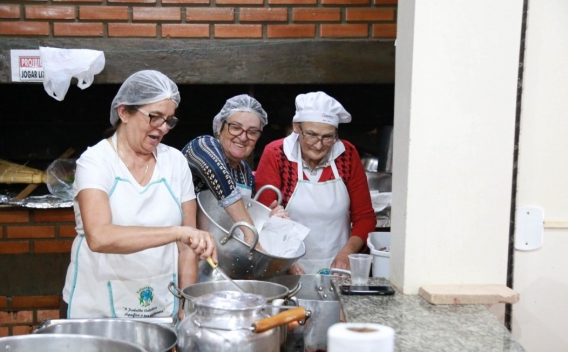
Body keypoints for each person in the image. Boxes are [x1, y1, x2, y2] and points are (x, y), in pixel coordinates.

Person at [61, 70, 216, 319]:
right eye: (155, 117)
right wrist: (177, 232)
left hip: (160, 304)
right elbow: (99, 236)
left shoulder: (175, 162)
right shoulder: (95, 162)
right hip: (97, 309)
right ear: (124, 112)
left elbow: (187, 248)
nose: (163, 128)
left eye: (169, 120)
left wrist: (187, 306)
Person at [255, 91, 376, 274]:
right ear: (296, 127)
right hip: (286, 267)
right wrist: (286, 263)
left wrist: (347, 254)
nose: (319, 145)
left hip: (338, 270)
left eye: (328, 137)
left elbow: (365, 217)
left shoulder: (347, 155)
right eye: (311, 135)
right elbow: (262, 218)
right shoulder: (277, 154)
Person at [182, 95, 287, 245]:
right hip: (190, 250)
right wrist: (251, 231)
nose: (243, 137)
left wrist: (267, 219)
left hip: (223, 255)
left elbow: (240, 218)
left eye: (252, 132)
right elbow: (218, 173)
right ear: (219, 127)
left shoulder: (245, 173)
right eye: (236, 127)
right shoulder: (202, 147)